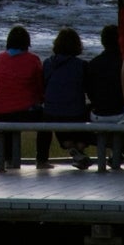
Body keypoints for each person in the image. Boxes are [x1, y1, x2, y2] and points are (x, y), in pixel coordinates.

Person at [0, 25, 45, 172]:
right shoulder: (33, 60)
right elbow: (40, 85)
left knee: (7, 126)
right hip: (24, 112)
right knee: (47, 119)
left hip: (0, 112)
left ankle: (6, 158)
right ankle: (42, 159)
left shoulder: (0, 58)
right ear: (27, 43)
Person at [42, 27, 94, 169]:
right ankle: (79, 148)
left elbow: (43, 87)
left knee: (56, 111)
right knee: (89, 112)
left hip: (52, 113)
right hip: (75, 113)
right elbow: (88, 91)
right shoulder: (82, 65)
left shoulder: (48, 63)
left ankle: (72, 149)